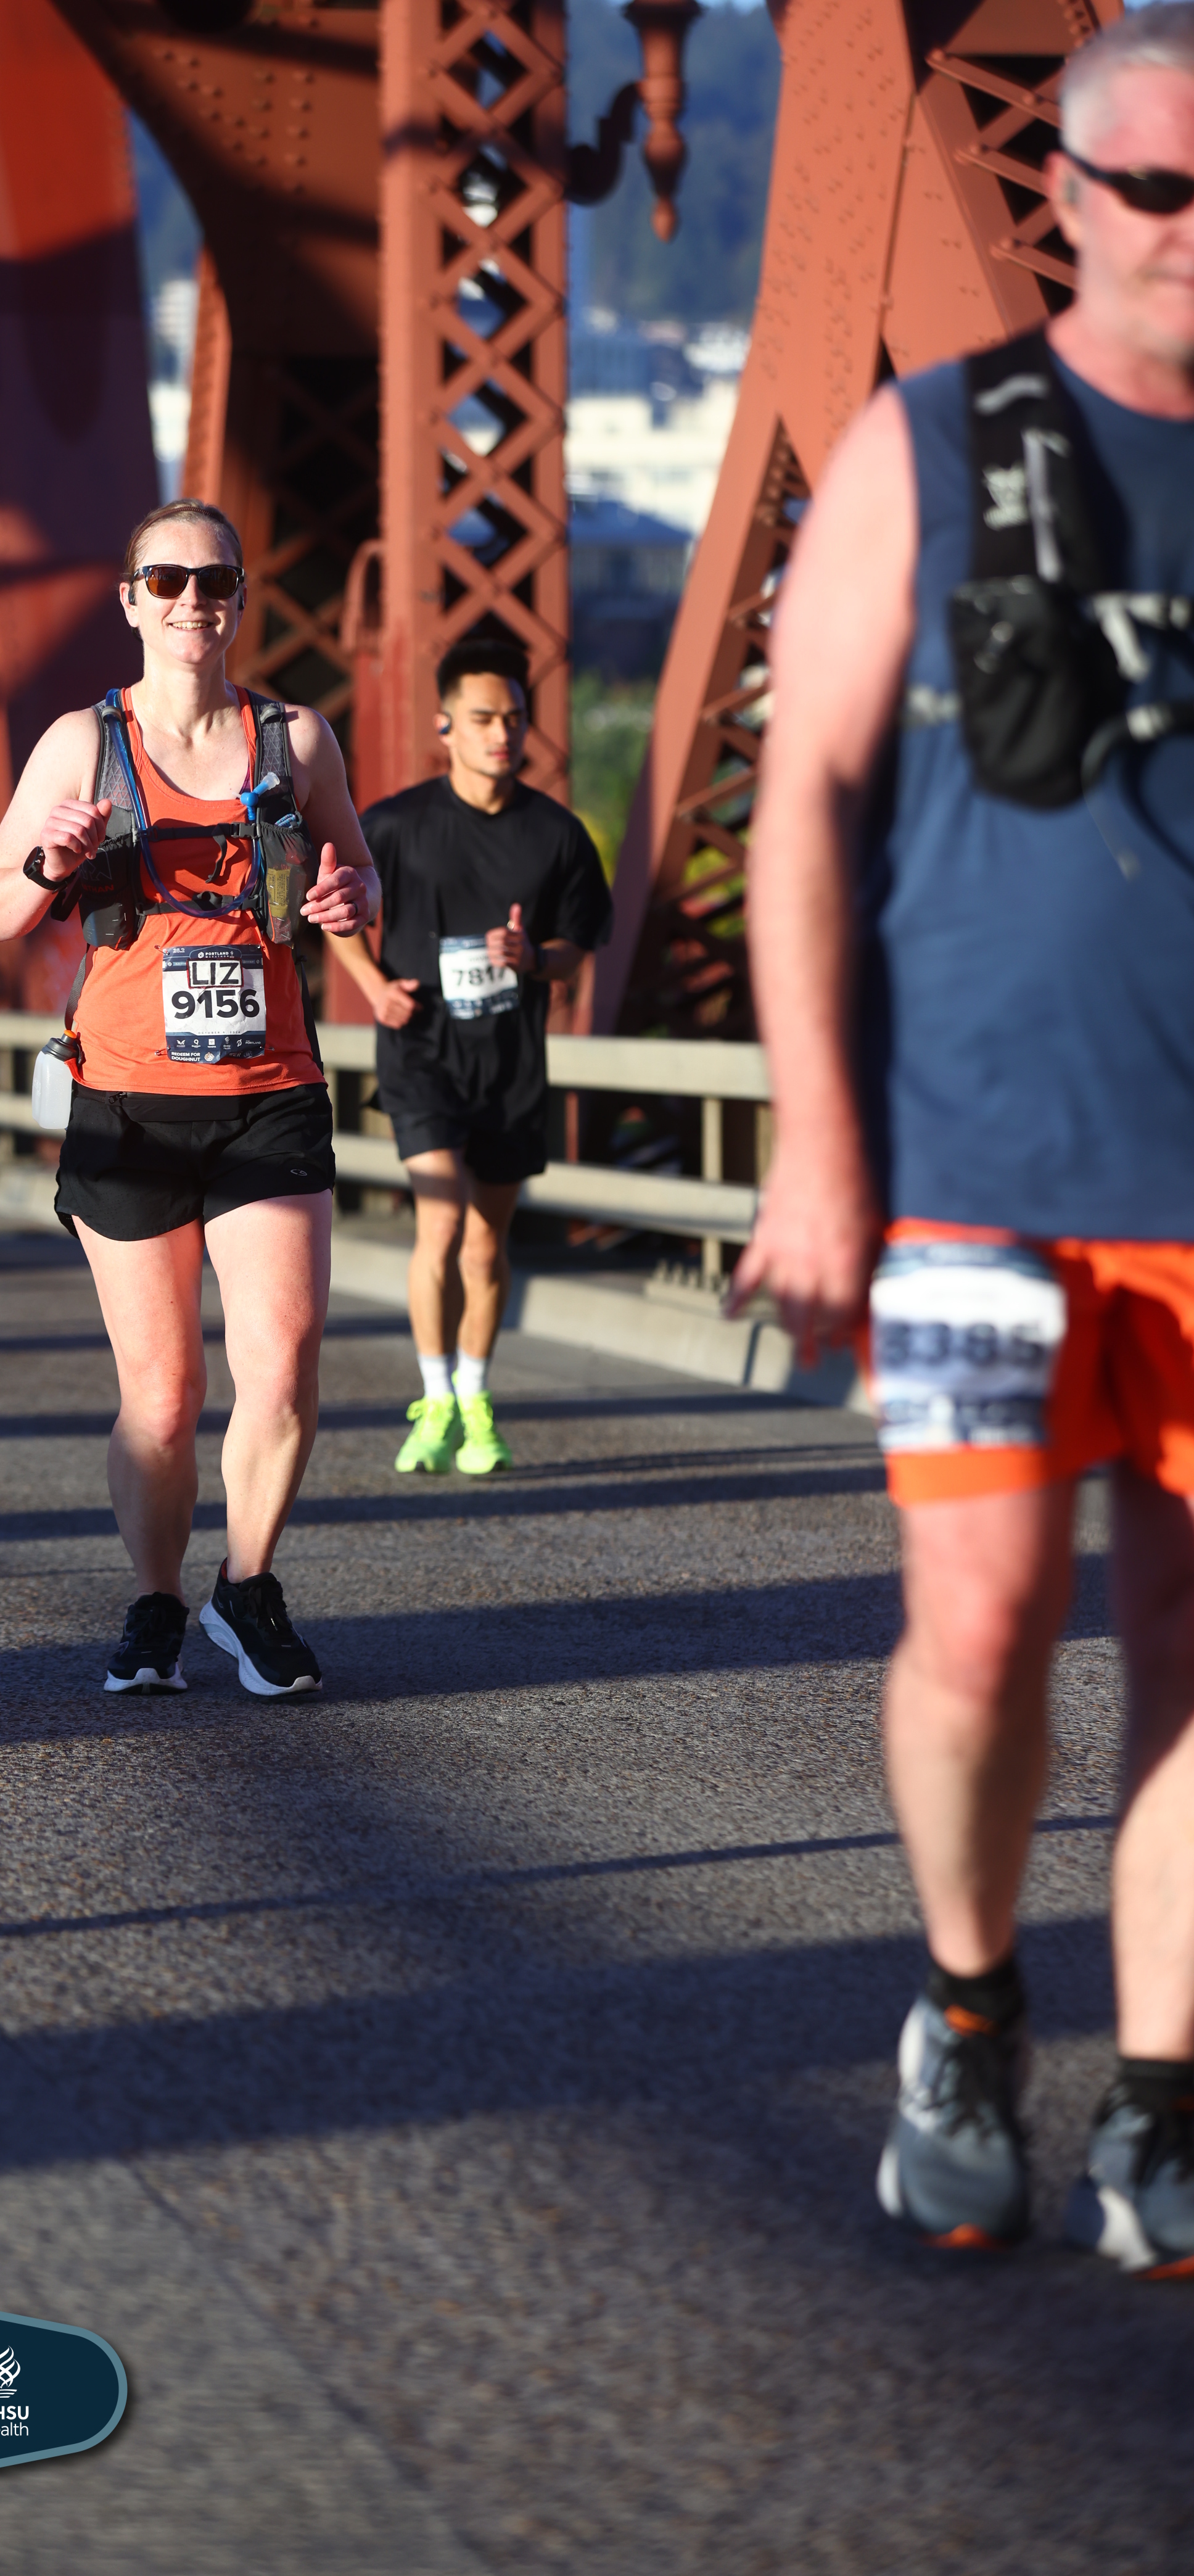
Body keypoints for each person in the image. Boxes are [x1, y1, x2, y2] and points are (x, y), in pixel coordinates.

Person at [732, 5, 1194, 2273]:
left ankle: (1166, 2101)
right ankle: (972, 2002)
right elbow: (799, 803)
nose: (1190, 232)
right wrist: (818, 1143)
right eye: (1156, 189)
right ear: (1074, 198)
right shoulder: (934, 443)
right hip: (967, 1179)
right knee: (983, 1621)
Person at [0, 499, 378, 1698]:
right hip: (129, 1104)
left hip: (269, 1092)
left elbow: (359, 874)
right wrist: (46, 863)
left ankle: (247, 1588)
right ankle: (155, 1603)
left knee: (283, 1366)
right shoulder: (81, 746)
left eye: (215, 581)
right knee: (161, 1397)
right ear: (131, 601)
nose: (193, 600)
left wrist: (350, 900)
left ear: (239, 598)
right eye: (168, 581)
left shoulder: (295, 739)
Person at [325, 640, 611, 1477]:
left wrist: (534, 957)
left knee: (486, 1246)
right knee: (442, 1222)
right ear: (445, 725)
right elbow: (335, 911)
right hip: (421, 1052)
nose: (501, 734)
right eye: (483, 718)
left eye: (514, 719)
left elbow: (577, 948)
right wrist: (374, 986)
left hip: (510, 1062)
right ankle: (435, 1398)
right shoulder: (394, 824)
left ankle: (477, 1397)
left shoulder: (558, 835)